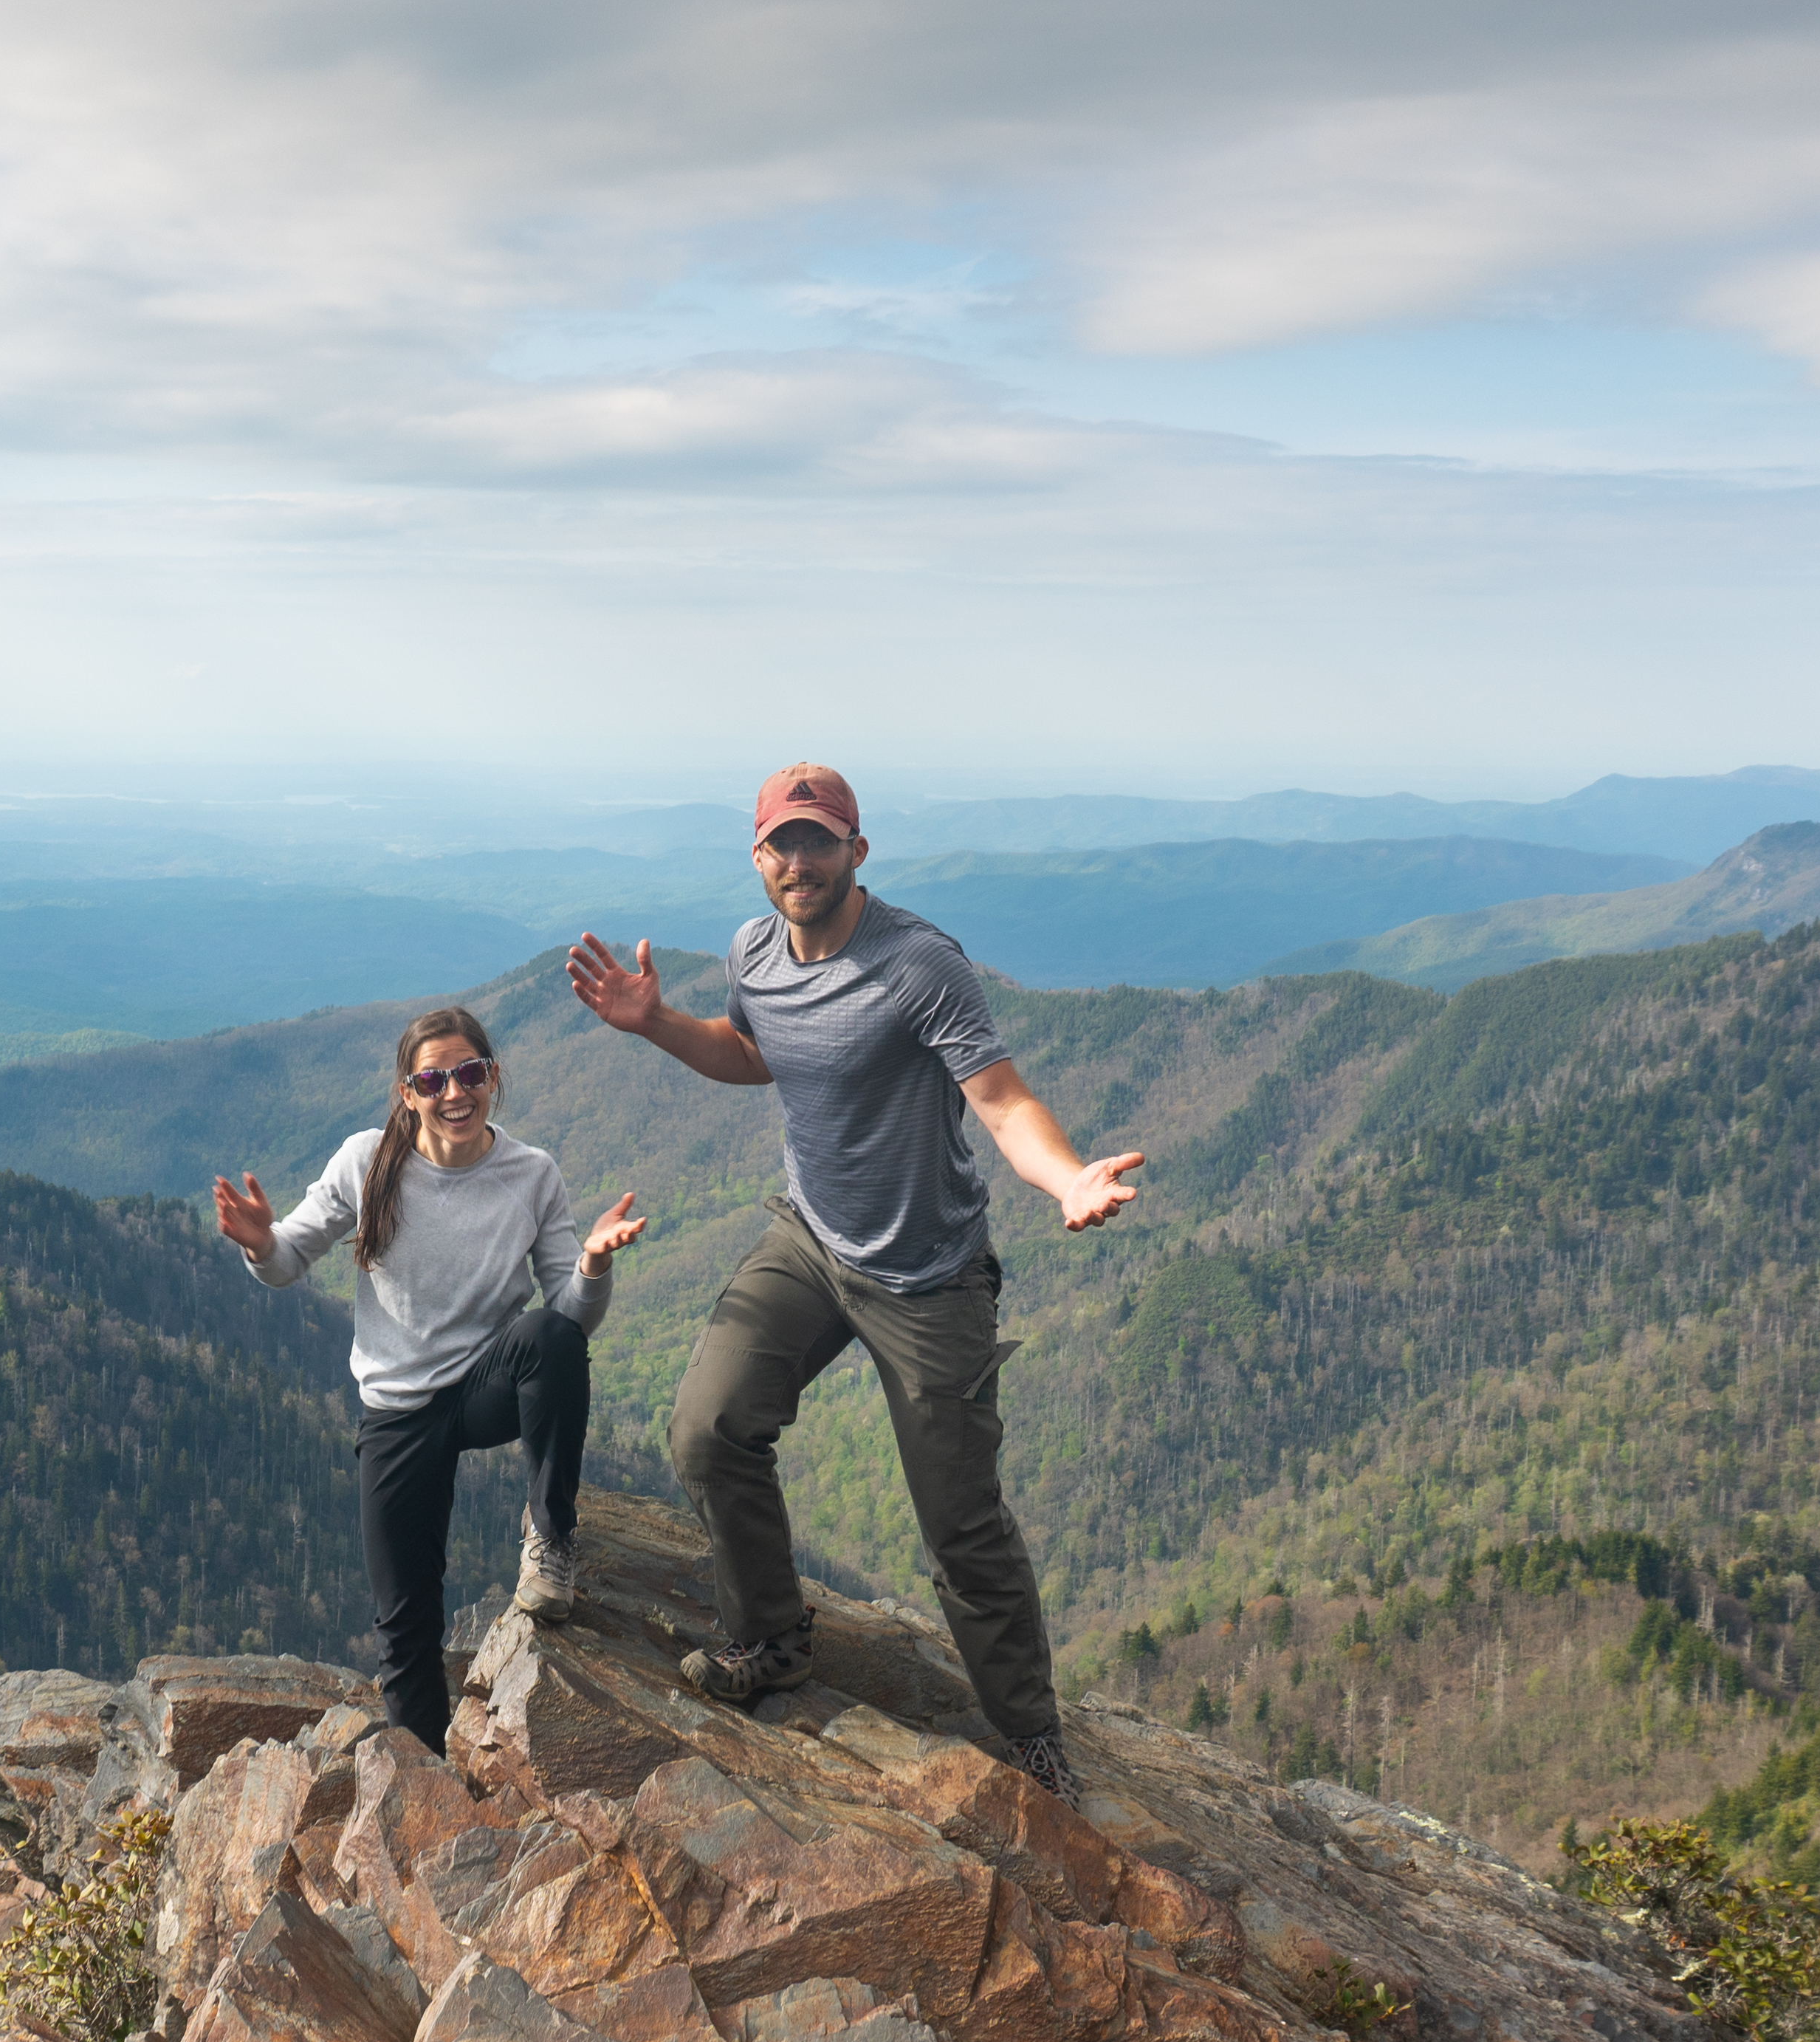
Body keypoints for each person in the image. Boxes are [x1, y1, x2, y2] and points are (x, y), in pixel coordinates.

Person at [567, 762, 1141, 1799]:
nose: (798, 862)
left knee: (960, 1526)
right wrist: (655, 1021)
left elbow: (1003, 1102)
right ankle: (769, 1636)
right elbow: (756, 1054)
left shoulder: (920, 966)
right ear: (756, 857)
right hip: (812, 1242)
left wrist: (1066, 1178)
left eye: (818, 841)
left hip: (929, 1273)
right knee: (708, 1428)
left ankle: (1032, 1734)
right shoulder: (753, 952)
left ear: (856, 851)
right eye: (780, 844)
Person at [215, 1005, 648, 1746]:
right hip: (397, 1407)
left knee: (550, 1336)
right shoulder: (365, 1162)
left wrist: (592, 1267)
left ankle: (550, 1538)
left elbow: (568, 1320)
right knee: (404, 1618)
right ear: (407, 1091)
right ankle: (420, 1776)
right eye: (432, 1079)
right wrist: (261, 1244)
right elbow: (288, 1262)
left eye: (469, 1073)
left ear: (492, 1077)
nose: (454, 1093)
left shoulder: (530, 1174)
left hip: (485, 1386)